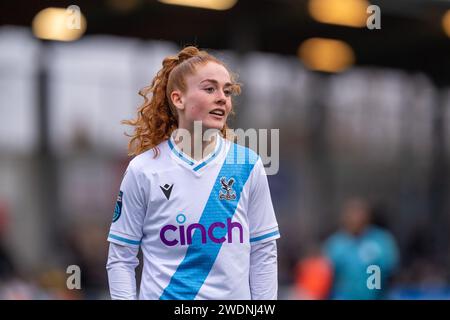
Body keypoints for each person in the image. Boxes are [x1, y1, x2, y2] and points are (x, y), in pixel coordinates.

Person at [106, 46, 280, 300]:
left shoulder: (247, 164)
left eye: (227, 91)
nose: (222, 98)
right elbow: (121, 257)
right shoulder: (143, 169)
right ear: (178, 99)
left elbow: (263, 251)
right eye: (210, 89)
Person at [323, 198, 399, 299]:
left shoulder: (381, 240)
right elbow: (327, 275)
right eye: (352, 214)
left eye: (359, 214)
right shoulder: (335, 244)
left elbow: (390, 269)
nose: (356, 218)